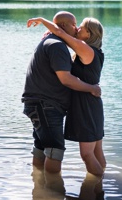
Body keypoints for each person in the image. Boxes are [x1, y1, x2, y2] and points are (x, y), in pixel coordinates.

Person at [21, 11, 101, 174]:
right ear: (65, 26)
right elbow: (66, 79)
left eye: (80, 26)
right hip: (45, 105)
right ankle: (52, 191)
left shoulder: (56, 43)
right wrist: (93, 88)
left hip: (43, 105)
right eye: (74, 25)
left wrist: (49, 26)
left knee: (41, 146)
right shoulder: (56, 45)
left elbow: (59, 32)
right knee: (54, 150)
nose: (77, 28)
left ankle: (41, 189)